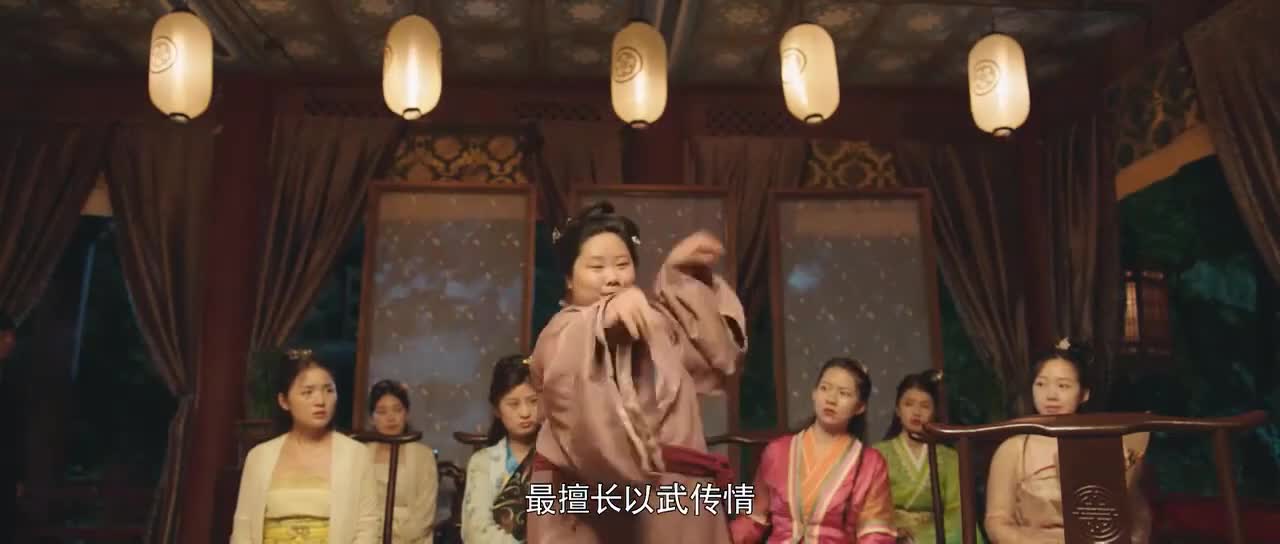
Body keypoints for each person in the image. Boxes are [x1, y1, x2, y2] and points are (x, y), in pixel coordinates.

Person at [527, 201, 748, 543]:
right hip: (597, 502)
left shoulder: (654, 321)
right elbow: (571, 369)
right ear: (569, 278)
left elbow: (717, 357)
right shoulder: (563, 330)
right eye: (596, 267)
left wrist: (679, 275)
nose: (613, 277)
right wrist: (607, 317)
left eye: (622, 264)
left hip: (675, 495)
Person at [984, 338, 1150, 544]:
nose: (1051, 395)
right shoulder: (1014, 448)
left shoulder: (1106, 443)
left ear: (1084, 394)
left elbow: (1135, 515)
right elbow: (997, 520)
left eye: (1063, 385)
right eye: (1041, 384)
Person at [731, 357, 897, 544]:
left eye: (843, 393)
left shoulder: (870, 463)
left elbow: (875, 535)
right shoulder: (777, 451)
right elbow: (753, 518)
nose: (831, 399)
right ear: (814, 393)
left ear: (860, 407)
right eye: (825, 388)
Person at [230, 349, 379, 544]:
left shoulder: (356, 455)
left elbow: (367, 528)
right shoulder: (259, 457)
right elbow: (243, 528)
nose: (321, 401)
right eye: (308, 392)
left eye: (329, 390)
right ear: (284, 401)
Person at [872, 370, 980, 544]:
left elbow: (957, 513)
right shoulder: (877, 454)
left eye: (925, 406)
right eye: (909, 404)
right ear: (898, 410)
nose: (916, 412)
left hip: (938, 538)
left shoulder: (950, 458)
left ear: (934, 412)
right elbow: (870, 510)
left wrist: (923, 539)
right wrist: (894, 532)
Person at [462, 354, 539, 543]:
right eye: (513, 404)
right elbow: (476, 532)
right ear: (497, 409)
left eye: (533, 401)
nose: (525, 413)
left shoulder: (560, 457)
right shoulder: (483, 463)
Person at [366, 379, 438, 543]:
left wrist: (394, 536)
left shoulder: (424, 456)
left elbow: (425, 515)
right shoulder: (362, 454)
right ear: (371, 418)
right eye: (382, 412)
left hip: (412, 539)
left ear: (406, 414)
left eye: (397, 410)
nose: (390, 418)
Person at [0, 314, 20, 543]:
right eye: (4, 336)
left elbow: (13, 432)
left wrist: (17, 476)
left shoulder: (10, 378)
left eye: (11, 337)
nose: (10, 342)